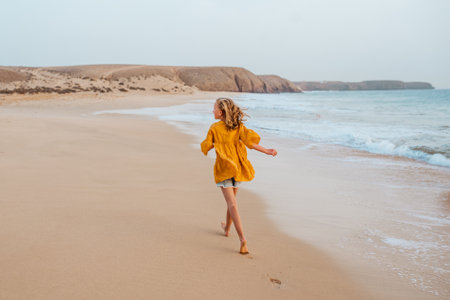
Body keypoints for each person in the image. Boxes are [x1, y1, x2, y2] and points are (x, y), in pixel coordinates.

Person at [201, 97, 277, 254]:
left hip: (224, 169)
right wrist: (267, 151)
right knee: (232, 203)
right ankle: (227, 229)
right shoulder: (238, 126)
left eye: (214, 108)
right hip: (238, 168)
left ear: (220, 112)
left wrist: (208, 146)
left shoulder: (214, 128)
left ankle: (242, 239)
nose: (212, 111)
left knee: (232, 203)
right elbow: (251, 143)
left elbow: (206, 145)